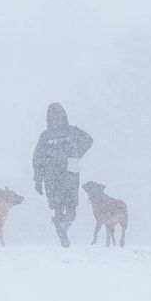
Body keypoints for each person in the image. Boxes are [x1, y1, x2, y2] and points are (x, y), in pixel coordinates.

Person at [32, 103, 93, 247]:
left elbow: (89, 141)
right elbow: (38, 158)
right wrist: (38, 179)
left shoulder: (67, 132)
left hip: (62, 174)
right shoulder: (50, 135)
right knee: (67, 209)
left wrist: (77, 154)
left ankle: (61, 228)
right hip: (60, 174)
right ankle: (62, 230)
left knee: (64, 209)